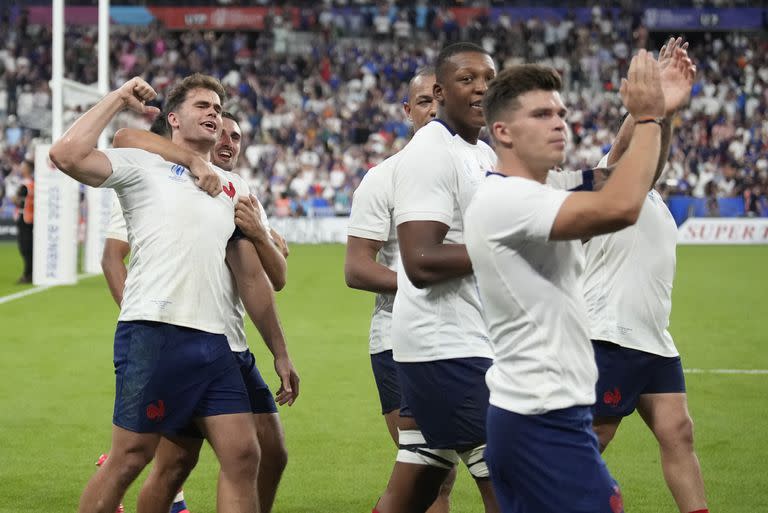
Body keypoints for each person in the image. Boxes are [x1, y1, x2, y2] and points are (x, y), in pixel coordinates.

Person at [49, 73, 268, 513]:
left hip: (216, 342)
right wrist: (118, 98)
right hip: (156, 332)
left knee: (244, 455)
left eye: (218, 108)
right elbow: (66, 155)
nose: (214, 113)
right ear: (172, 118)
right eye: (203, 106)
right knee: (130, 458)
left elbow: (256, 277)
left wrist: (267, 238)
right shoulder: (139, 165)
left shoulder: (235, 187)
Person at [464, 52, 670, 512]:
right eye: (541, 114)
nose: (559, 123)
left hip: (538, 413)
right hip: (542, 419)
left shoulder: (542, 190)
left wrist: (663, 115)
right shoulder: (507, 199)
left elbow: (635, 178)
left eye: (560, 112)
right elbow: (621, 206)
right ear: (503, 132)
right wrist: (649, 115)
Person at [101, 111, 296, 513]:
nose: (227, 141)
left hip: (229, 344)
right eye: (219, 131)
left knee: (265, 453)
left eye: (236, 136)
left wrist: (261, 234)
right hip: (173, 337)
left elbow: (270, 278)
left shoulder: (238, 194)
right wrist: (147, 321)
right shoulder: (154, 180)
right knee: (161, 461)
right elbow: (111, 258)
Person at [584, 39, 709, 513]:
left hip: (653, 339)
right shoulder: (607, 183)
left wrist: (666, 111)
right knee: (590, 442)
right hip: (609, 333)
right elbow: (626, 146)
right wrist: (649, 106)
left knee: (679, 432)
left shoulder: (648, 194)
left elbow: (652, 153)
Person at [375, 42, 501, 513]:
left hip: (466, 339)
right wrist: (502, 248)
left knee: (419, 479)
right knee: (508, 478)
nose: (481, 88)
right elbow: (421, 260)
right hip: (447, 346)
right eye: (468, 79)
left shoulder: (481, 152)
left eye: (488, 78)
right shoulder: (430, 150)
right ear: (441, 90)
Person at [344, 67, 456, 513]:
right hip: (400, 340)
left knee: (466, 469)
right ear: (408, 111)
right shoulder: (384, 178)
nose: (433, 110)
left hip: (469, 338)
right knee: (431, 475)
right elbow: (356, 269)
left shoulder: (476, 166)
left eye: (439, 100)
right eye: (423, 102)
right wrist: (425, 278)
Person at [13, 158, 33, 284]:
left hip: (25, 218)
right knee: (26, 247)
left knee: (25, 248)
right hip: (28, 218)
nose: (21, 168)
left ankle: (28, 274)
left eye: (23, 166)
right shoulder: (31, 183)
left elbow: (18, 201)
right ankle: (29, 273)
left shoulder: (25, 185)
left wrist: (14, 198)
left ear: (27, 169)